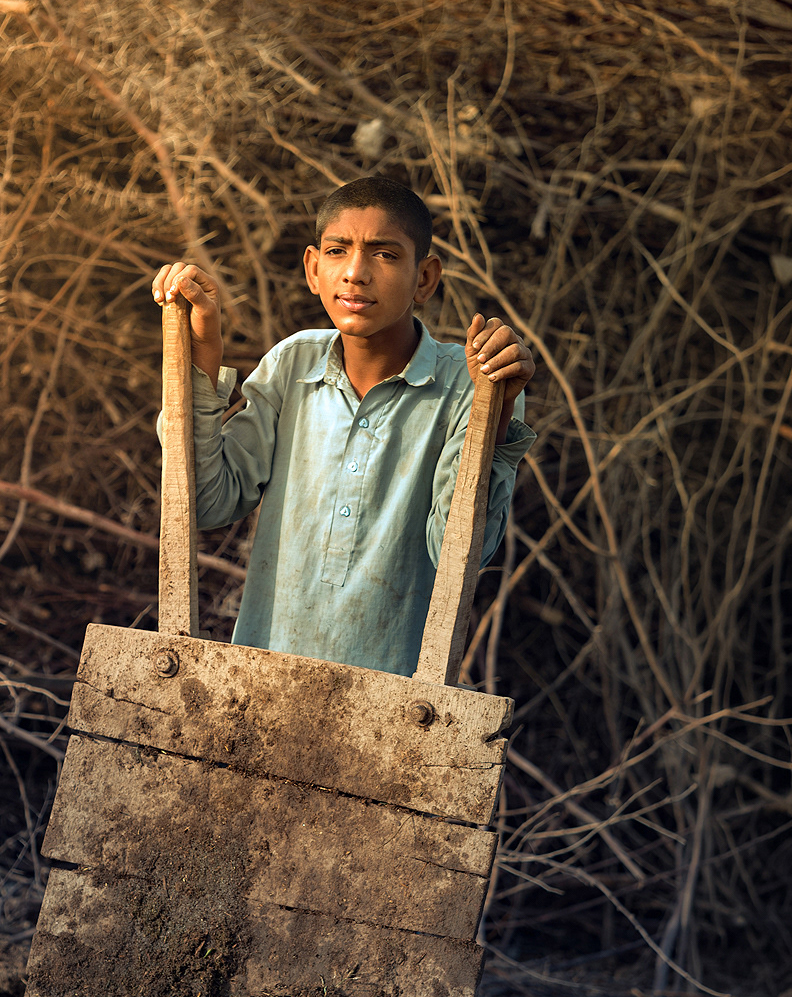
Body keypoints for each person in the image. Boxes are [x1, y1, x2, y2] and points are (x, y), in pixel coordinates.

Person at [151, 176, 537, 677]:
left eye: (385, 255)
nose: (355, 273)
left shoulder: (469, 385)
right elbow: (203, 501)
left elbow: (458, 551)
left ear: (424, 278)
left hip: (392, 704)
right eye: (338, 251)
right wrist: (204, 353)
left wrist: (497, 411)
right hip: (259, 683)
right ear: (314, 268)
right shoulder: (293, 366)